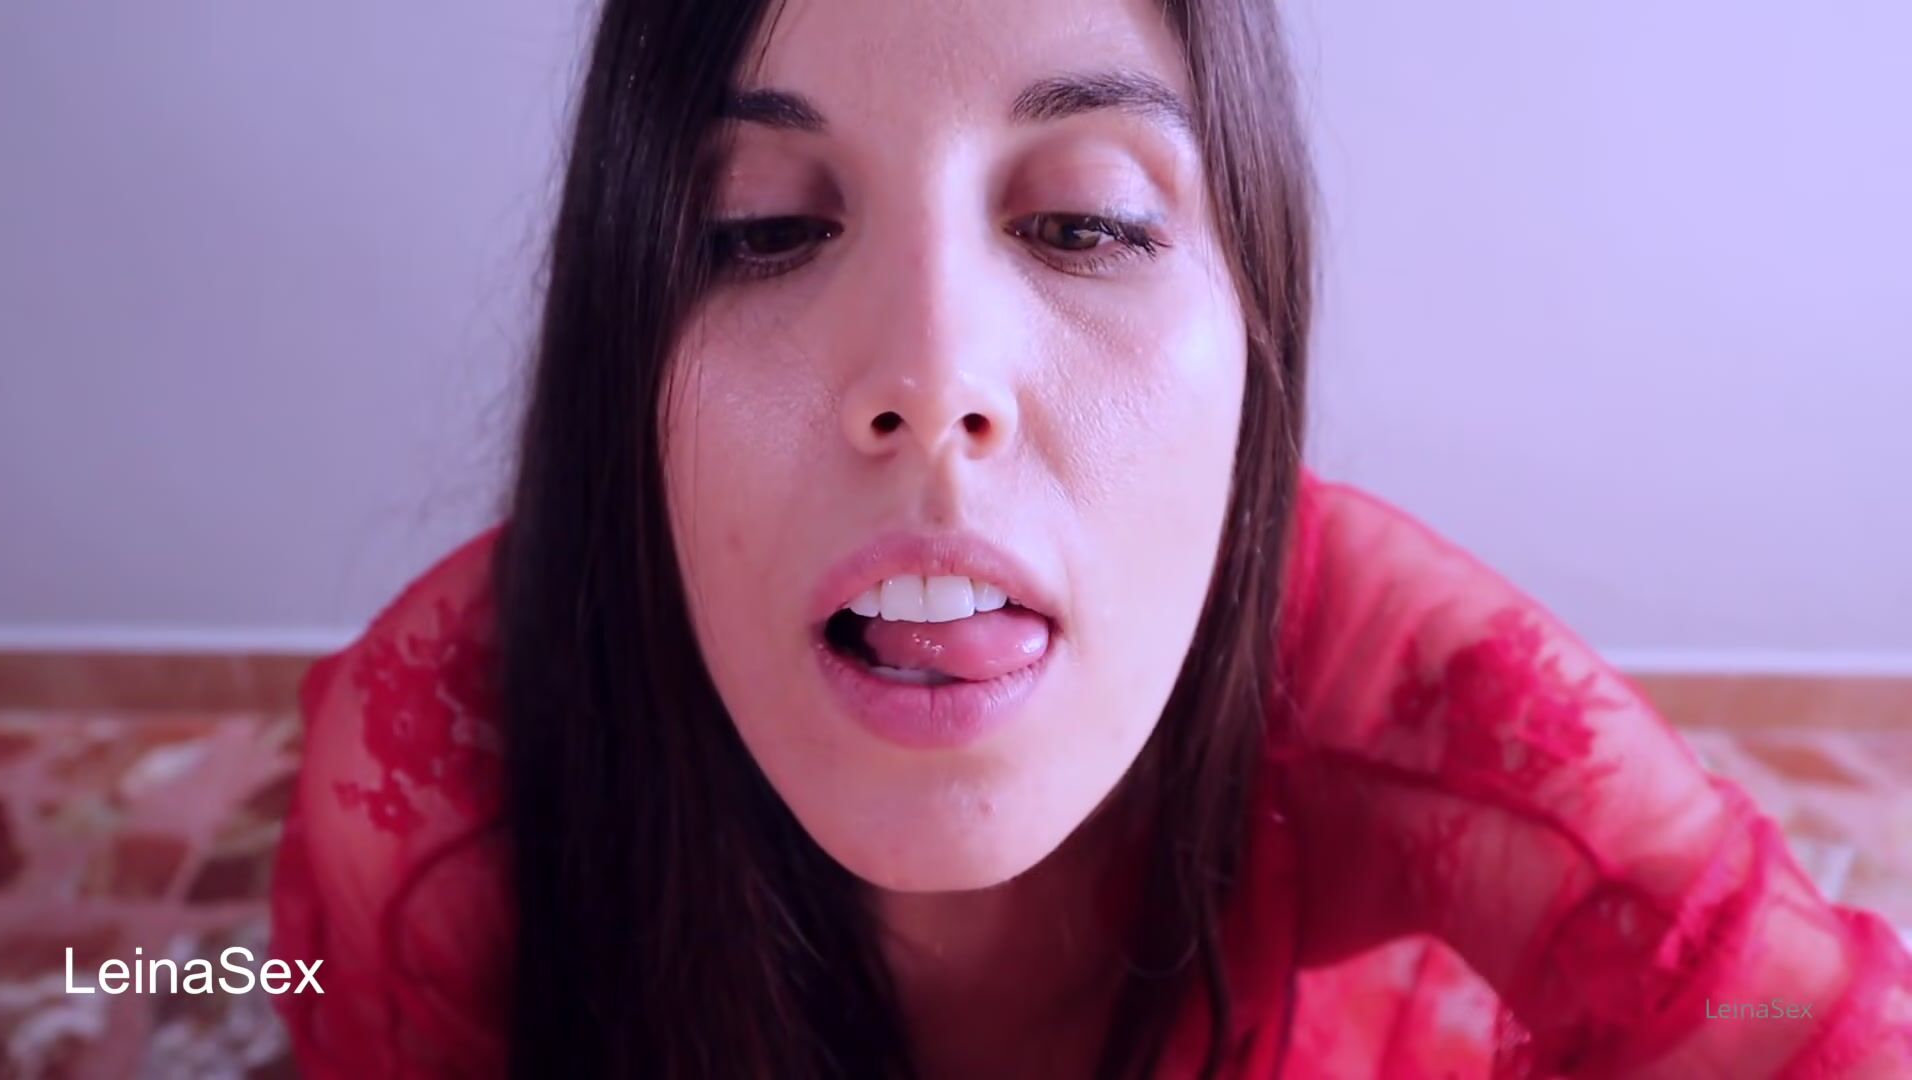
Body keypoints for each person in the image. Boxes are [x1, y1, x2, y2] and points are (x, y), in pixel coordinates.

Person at [267, 0, 1912, 1075]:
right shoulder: (432, 779)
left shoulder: (1425, 698)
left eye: (1086, 223)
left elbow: (1793, 1022)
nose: (931, 379)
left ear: (1256, 332)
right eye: (761, 231)